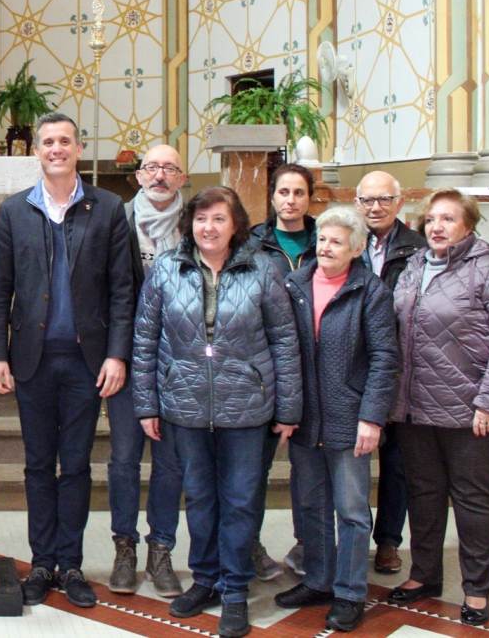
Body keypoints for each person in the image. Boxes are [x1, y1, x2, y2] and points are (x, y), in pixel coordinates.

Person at [134, 186, 301, 638]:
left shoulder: (262, 270)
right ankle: (205, 579)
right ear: (190, 223)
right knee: (201, 498)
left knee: (242, 499)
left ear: (236, 225)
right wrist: (147, 402)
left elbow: (285, 341)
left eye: (219, 219)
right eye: (201, 218)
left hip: (247, 407)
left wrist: (288, 406)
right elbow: (145, 338)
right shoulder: (167, 269)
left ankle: (234, 589)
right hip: (184, 405)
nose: (209, 227)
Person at [0, 113, 136, 608]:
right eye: (47, 141)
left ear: (78, 146)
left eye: (64, 141)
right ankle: (42, 561)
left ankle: (69, 564)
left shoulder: (109, 208)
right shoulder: (13, 211)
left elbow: (122, 290)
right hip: (31, 359)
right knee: (35, 465)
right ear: (36, 151)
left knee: (74, 466)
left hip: (85, 361)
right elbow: (0, 289)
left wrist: (117, 354)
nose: (56, 149)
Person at [388, 189, 489, 626]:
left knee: (472, 501)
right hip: (416, 409)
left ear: (468, 223)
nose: (437, 227)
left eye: (448, 219)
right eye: (431, 219)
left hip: (473, 412)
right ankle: (425, 575)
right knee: (425, 496)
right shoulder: (413, 266)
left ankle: (476, 590)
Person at [275, 207, 398, 632]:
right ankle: (319, 579)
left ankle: (349, 592)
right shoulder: (295, 285)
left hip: (350, 418)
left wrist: (372, 417)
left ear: (358, 249)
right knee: (311, 504)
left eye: (337, 242)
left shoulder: (371, 291)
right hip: (305, 418)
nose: (326, 248)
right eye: (323, 240)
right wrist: (285, 410)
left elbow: (385, 359)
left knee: (351, 511)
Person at [105, 144, 186, 597]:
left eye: (169, 168)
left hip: (180, 363)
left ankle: (162, 550)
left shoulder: (197, 223)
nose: (160, 175)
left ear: (181, 176)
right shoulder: (115, 219)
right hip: (130, 359)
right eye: (152, 168)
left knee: (170, 463)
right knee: (123, 460)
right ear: (138, 176)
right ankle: (124, 547)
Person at [354, 171, 426, 576]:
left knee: (395, 463)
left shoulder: (418, 248)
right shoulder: (348, 242)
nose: (375, 207)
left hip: (397, 369)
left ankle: (388, 542)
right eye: (367, 200)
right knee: (354, 460)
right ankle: (356, 533)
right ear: (357, 204)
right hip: (352, 370)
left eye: (383, 199)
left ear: (399, 202)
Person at [249, 162, 317, 578]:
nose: (290, 201)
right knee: (254, 468)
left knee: (309, 468)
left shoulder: (327, 239)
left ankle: (309, 543)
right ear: (272, 197)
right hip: (265, 367)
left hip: (316, 364)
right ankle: (250, 544)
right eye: (283, 192)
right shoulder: (254, 243)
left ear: (310, 198)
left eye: (299, 193)